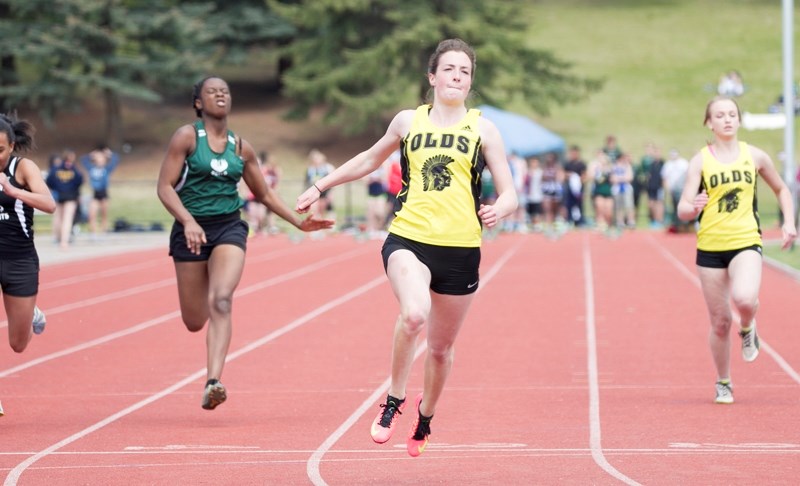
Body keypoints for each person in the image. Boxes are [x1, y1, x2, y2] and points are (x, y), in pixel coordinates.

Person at [296, 38, 517, 457]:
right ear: (432, 77)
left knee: (440, 349)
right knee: (414, 313)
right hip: (409, 238)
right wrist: (320, 184)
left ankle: (425, 416)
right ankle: (393, 401)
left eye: (464, 71)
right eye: (449, 68)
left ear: (470, 83)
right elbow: (368, 159)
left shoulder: (483, 130)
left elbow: (510, 194)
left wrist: (498, 210)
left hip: (461, 249)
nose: (456, 76)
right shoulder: (407, 122)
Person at [156, 76, 333, 411]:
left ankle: (213, 381)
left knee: (221, 299)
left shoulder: (241, 147)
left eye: (225, 91)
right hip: (190, 230)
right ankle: (208, 311)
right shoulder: (186, 138)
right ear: (198, 103)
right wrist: (188, 221)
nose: (220, 95)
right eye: (212, 91)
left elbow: (263, 193)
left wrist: (298, 221)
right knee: (194, 320)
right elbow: (164, 187)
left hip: (228, 229)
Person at [677, 96, 796, 405]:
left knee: (744, 299)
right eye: (720, 115)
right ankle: (724, 381)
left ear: (739, 120)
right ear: (709, 123)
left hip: (745, 240)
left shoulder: (755, 156)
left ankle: (748, 326)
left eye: (732, 114)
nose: (727, 119)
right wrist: (694, 207)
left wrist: (789, 223)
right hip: (711, 248)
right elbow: (682, 208)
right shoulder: (700, 161)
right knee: (719, 322)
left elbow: (782, 189)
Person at [0, 113, 57, 415]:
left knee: (18, 344)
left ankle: (30, 312)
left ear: (11, 146)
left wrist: (14, 191)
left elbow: (49, 204)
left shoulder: (23, 168)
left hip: (19, 259)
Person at [79, 145, 120, 237]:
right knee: (92, 214)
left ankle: (103, 232)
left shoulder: (106, 169)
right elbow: (83, 160)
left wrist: (109, 154)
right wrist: (91, 155)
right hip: (95, 194)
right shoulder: (91, 168)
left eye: (102, 158)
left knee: (104, 215)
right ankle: (93, 233)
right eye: (98, 158)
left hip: (104, 194)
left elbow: (116, 160)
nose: (100, 160)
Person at [46, 148, 83, 248]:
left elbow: (49, 180)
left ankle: (57, 237)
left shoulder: (56, 168)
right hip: (70, 196)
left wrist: (57, 188)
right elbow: (80, 180)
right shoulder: (73, 169)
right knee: (67, 218)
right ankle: (64, 241)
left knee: (58, 217)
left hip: (59, 195)